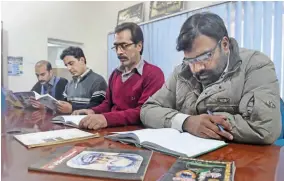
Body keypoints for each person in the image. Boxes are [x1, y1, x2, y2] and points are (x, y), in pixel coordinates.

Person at [140, 12, 281, 144]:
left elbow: (266, 129)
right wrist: (187, 122)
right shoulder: (182, 71)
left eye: (204, 57)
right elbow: (148, 110)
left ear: (224, 45)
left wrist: (207, 124)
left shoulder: (256, 64)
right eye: (190, 60)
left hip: (243, 160)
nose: (196, 69)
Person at [73, 22, 165, 130]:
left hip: (134, 135)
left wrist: (106, 119)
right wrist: (92, 111)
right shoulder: (115, 74)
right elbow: (108, 104)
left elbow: (144, 112)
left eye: (124, 46)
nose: (119, 52)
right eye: (116, 47)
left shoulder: (153, 74)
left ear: (139, 46)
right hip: (111, 131)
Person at [57, 46, 107, 114]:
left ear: (82, 60)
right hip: (70, 122)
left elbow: (97, 107)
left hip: (88, 123)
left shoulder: (98, 81)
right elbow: (65, 104)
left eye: (71, 63)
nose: (68, 68)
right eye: (66, 65)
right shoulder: (69, 84)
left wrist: (72, 108)